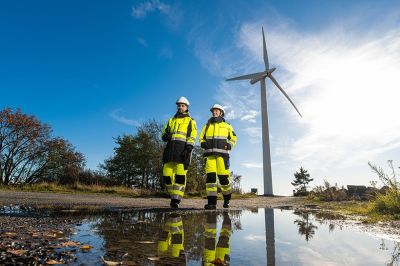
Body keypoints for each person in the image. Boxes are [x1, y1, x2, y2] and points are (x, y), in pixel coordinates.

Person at [199, 104, 237, 209]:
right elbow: (201, 137)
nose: (215, 112)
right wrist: (202, 143)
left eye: (217, 111)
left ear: (221, 113)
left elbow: (234, 138)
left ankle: (227, 199)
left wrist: (229, 145)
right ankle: (211, 203)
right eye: (214, 111)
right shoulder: (207, 125)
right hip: (209, 155)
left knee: (224, 179)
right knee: (210, 179)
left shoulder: (227, 125)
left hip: (222, 156)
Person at [161, 96, 197, 209]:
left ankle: (176, 200)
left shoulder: (190, 121)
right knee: (166, 175)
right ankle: (173, 195)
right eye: (179, 105)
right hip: (170, 150)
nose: (180, 107)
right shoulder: (171, 120)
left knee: (180, 176)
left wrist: (189, 148)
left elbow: (192, 136)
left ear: (186, 107)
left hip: (183, 151)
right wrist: (165, 136)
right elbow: (164, 133)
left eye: (182, 105)